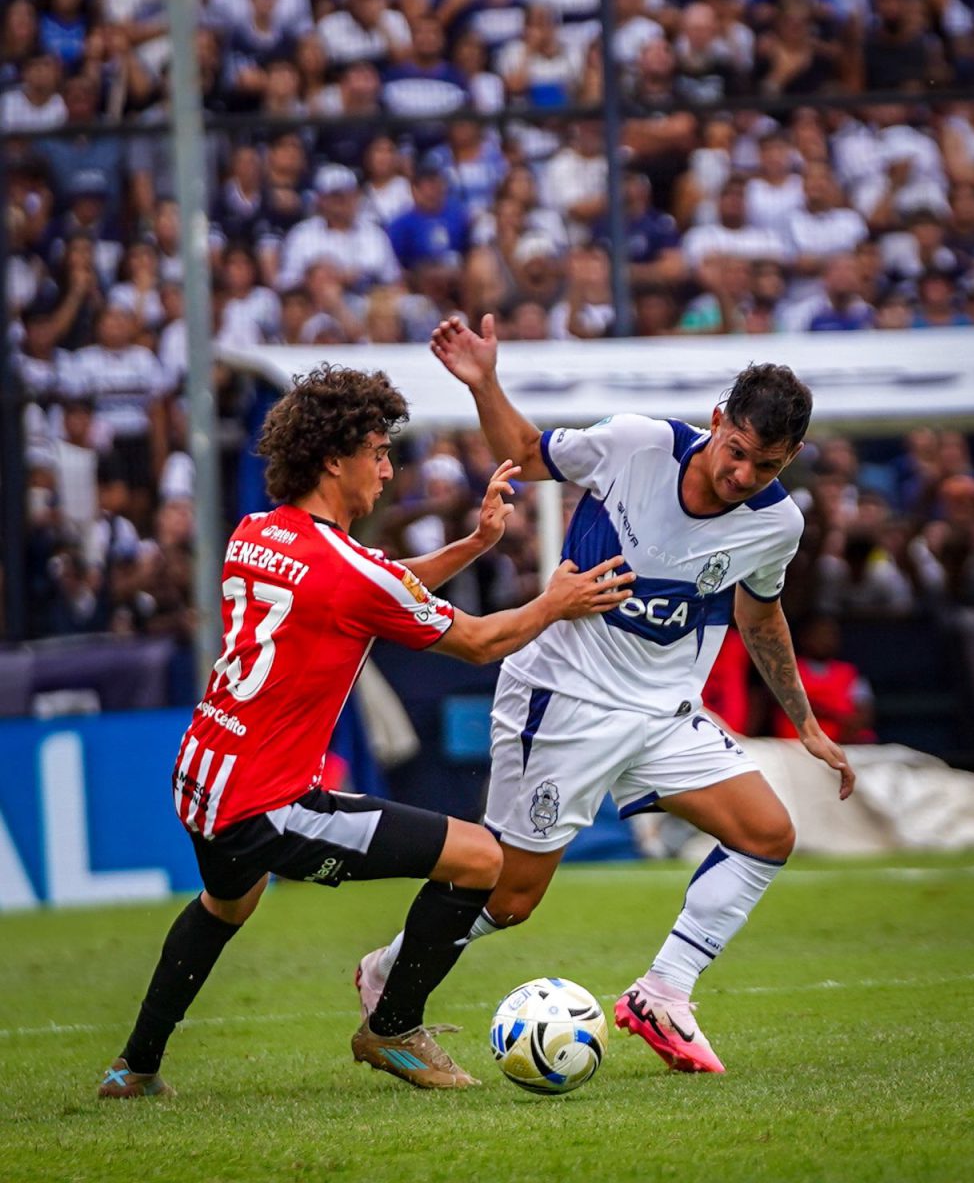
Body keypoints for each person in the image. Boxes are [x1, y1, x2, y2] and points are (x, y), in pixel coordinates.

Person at [97, 364, 631, 1098]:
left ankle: (133, 1068)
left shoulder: (257, 532)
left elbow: (373, 584)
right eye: (377, 453)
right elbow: (476, 641)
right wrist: (555, 601)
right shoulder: (348, 572)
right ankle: (393, 1028)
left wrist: (472, 545)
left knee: (227, 903)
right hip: (265, 802)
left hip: (201, 776)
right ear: (331, 460)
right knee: (481, 859)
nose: (386, 470)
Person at [359, 321, 855, 1076]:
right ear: (717, 421)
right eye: (737, 451)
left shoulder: (776, 524)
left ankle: (664, 993)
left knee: (766, 834)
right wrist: (484, 382)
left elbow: (760, 616)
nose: (743, 474)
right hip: (565, 699)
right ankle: (388, 971)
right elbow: (525, 452)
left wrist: (807, 724)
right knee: (511, 897)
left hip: (663, 713)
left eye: (767, 465)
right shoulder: (637, 444)